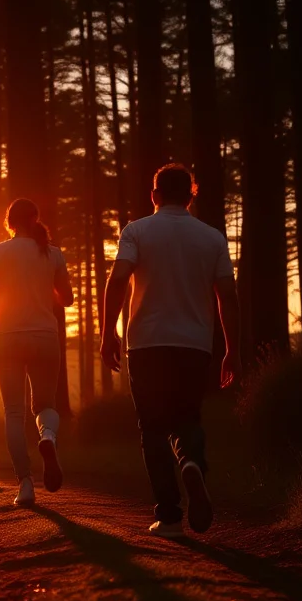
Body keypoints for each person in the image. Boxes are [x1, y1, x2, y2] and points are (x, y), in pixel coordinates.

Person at [100, 164, 241, 537]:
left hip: (146, 343)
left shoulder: (137, 231)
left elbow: (117, 282)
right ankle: (192, 462)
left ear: (154, 196)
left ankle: (170, 517)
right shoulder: (212, 238)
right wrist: (232, 349)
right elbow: (227, 295)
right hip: (195, 344)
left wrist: (106, 334)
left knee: (153, 428)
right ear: (191, 196)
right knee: (187, 418)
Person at [0, 198, 75, 506]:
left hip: (7, 336)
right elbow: (68, 299)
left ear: (10, 222)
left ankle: (25, 485)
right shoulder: (53, 254)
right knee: (46, 404)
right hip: (45, 336)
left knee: (14, 413)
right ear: (35, 220)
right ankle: (47, 436)